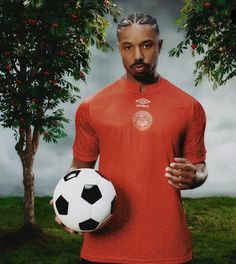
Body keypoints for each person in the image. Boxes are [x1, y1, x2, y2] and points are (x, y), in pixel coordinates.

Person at [55, 12, 208, 264]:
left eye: (146, 45)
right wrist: (63, 196)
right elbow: (79, 167)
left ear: (159, 45)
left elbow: (199, 167)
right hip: (103, 249)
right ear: (119, 48)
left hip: (166, 249)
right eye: (128, 47)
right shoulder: (92, 107)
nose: (137, 56)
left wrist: (195, 176)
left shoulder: (189, 107)